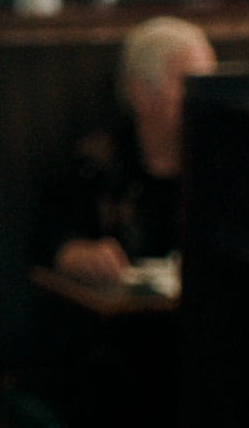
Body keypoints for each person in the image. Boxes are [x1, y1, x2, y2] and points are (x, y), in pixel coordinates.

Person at [48, 16, 216, 286]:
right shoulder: (98, 160)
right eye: (189, 83)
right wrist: (79, 256)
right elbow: (56, 239)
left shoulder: (221, 159)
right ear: (141, 93)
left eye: (209, 82)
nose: (204, 96)